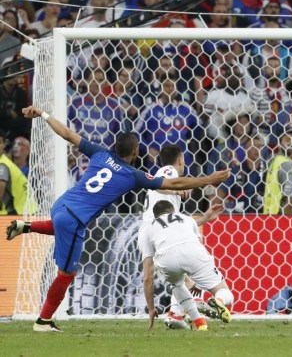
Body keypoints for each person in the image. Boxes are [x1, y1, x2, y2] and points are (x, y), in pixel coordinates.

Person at [6, 105, 230, 332]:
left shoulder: (99, 152)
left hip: (61, 205)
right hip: (74, 219)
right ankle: (43, 321)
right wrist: (208, 180)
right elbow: (174, 183)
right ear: (135, 153)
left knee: (63, 228)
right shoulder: (132, 175)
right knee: (66, 274)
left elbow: (67, 134)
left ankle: (26, 226)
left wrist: (43, 114)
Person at [138, 145, 234, 329]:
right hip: (157, 234)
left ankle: (176, 315)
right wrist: (175, 190)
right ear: (181, 159)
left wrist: (204, 218)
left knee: (180, 281)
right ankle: (202, 306)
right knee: (192, 280)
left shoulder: (167, 204)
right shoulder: (169, 171)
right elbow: (160, 183)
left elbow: (176, 223)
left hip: (156, 235)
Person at [140, 201, 233, 331]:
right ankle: (219, 301)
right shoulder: (187, 219)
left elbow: (148, 277)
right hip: (194, 254)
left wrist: (151, 309)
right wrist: (196, 279)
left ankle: (199, 322)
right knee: (224, 291)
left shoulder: (147, 229)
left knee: (176, 284)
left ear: (156, 216)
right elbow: (198, 246)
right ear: (174, 211)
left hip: (167, 260)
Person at [0, 131, 35, 215]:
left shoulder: (3, 165)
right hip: (28, 211)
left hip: (19, 214)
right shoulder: (7, 163)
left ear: (4, 145)